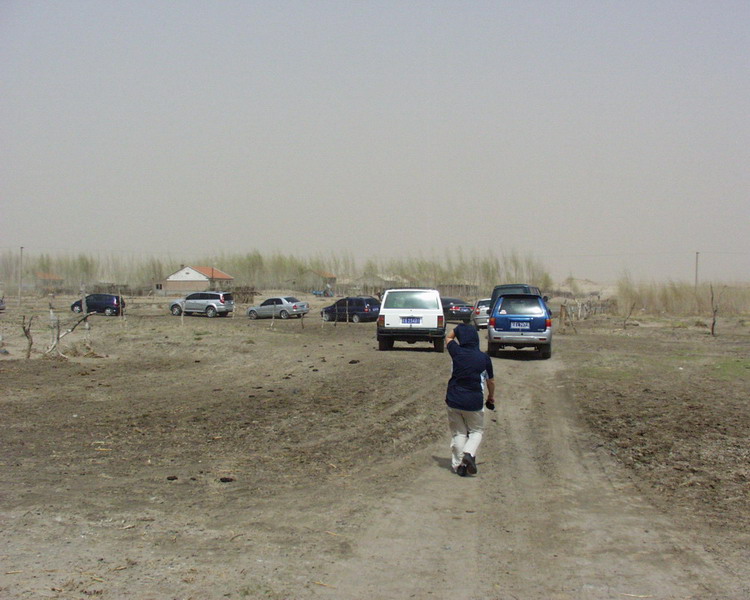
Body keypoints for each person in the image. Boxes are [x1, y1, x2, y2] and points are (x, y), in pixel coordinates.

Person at [445, 322, 495, 476]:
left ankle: (460, 465)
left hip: (453, 399)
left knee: (459, 433)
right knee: (476, 431)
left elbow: (448, 337)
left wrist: (457, 330)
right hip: (473, 400)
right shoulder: (483, 358)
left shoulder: (456, 352)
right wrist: (491, 397)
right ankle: (468, 453)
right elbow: (490, 381)